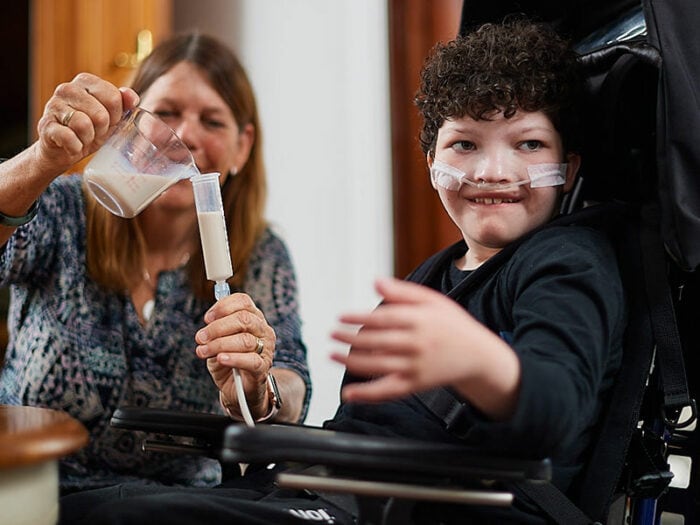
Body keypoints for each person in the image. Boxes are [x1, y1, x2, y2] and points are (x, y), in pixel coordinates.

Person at [59, 18, 626, 524]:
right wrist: (254, 395)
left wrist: (484, 364)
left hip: (424, 504)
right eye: (465, 144)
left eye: (528, 144)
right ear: (432, 166)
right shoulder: (435, 276)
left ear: (567, 168)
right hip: (328, 486)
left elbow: (559, 409)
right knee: (80, 507)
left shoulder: (567, 262)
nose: (494, 170)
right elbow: (357, 424)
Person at [0, 32, 310, 492]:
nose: (185, 135)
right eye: (166, 113)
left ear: (243, 147)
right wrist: (45, 159)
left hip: (178, 504)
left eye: (212, 120)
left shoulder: (260, 251)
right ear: (129, 127)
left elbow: (295, 386)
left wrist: (258, 388)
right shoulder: (64, 211)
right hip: (37, 491)